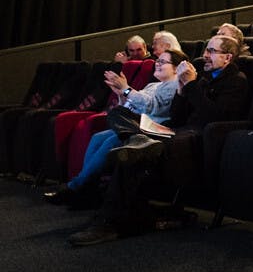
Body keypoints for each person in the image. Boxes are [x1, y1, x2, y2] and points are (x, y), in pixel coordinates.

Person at [68, 36, 249, 246]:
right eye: (206, 50)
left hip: (195, 137)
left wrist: (189, 85)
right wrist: (182, 92)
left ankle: (108, 222)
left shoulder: (237, 81)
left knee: (132, 153)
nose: (205, 55)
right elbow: (177, 116)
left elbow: (215, 116)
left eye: (211, 51)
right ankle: (136, 141)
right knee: (118, 114)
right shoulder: (203, 79)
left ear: (227, 57)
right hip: (176, 129)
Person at [45, 49, 189, 207]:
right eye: (158, 60)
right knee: (98, 137)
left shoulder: (174, 84)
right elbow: (129, 108)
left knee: (112, 140)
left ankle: (75, 187)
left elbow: (151, 107)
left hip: (153, 129)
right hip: (135, 124)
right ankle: (88, 192)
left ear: (176, 68)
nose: (157, 63)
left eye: (163, 62)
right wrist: (121, 94)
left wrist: (126, 89)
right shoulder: (153, 85)